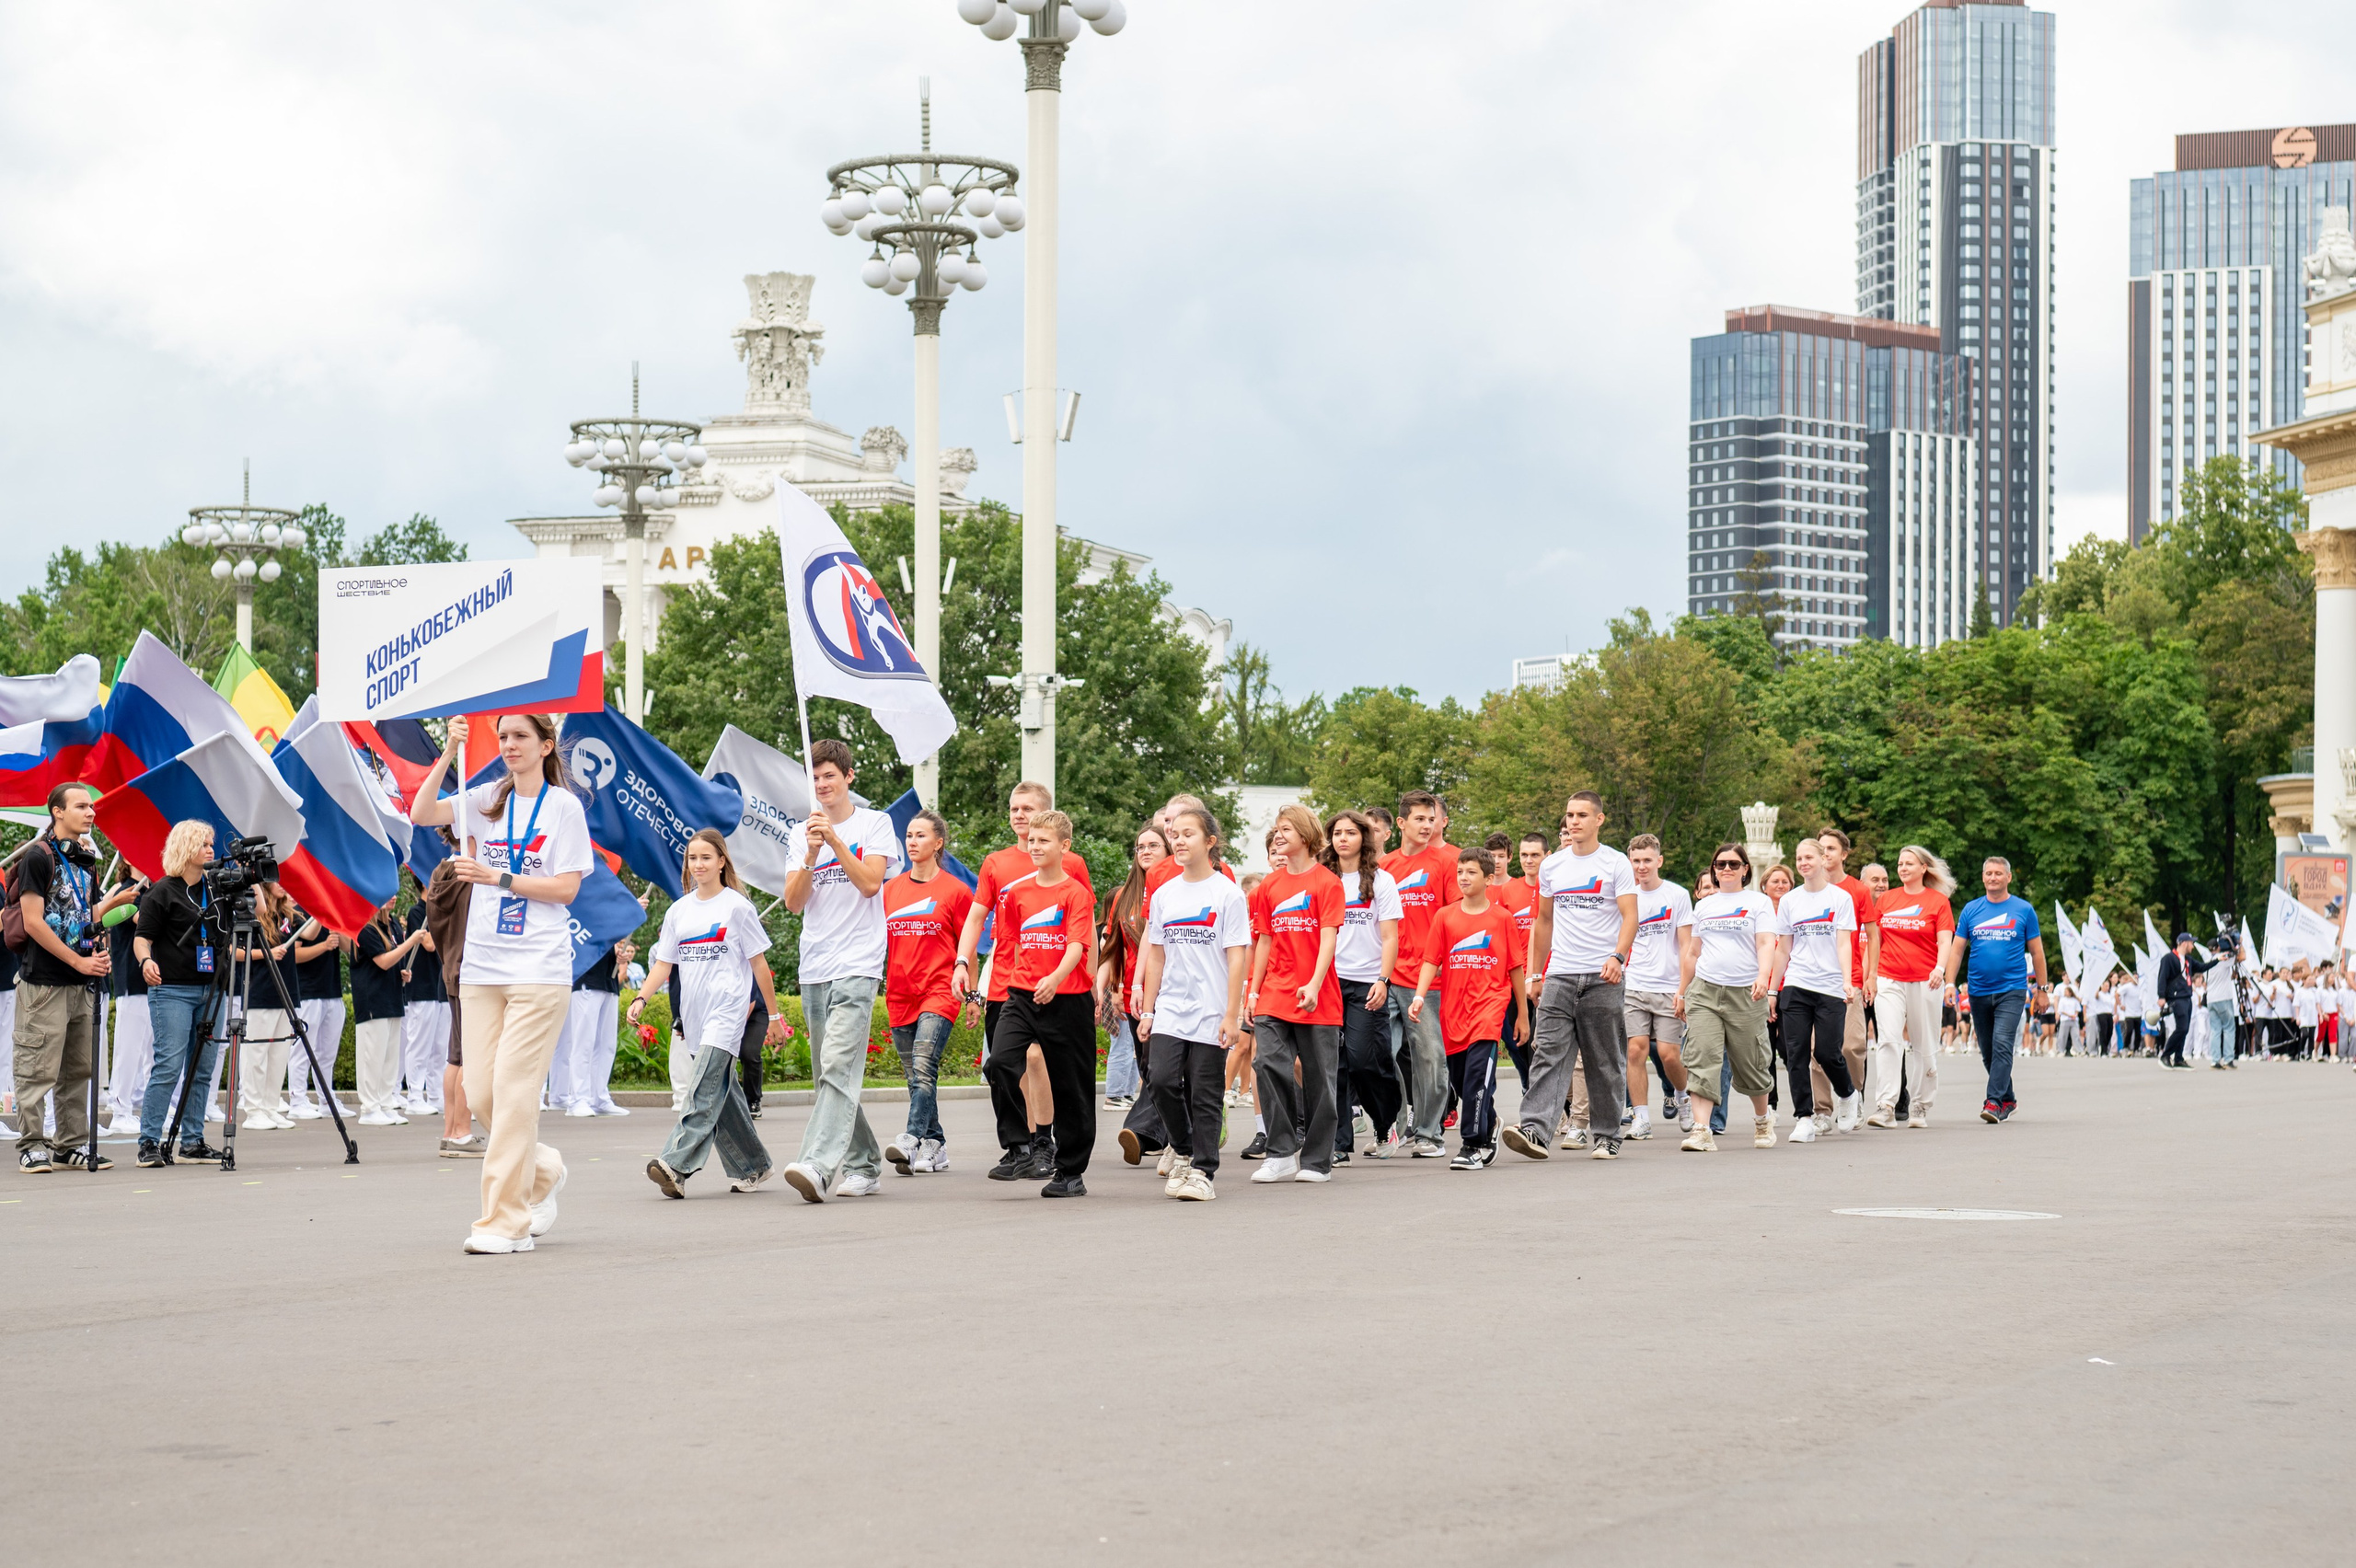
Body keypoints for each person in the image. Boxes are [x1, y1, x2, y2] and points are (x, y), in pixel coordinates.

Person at [410, 712, 592, 1255]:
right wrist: (448, 753)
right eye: (504, 737)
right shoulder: (487, 796)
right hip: (483, 968)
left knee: (514, 1093)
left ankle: (504, 1221)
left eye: (520, 737)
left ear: (545, 745)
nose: (509, 745)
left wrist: (500, 877)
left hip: (539, 968)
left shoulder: (563, 807)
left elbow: (566, 889)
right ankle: (542, 1171)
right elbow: (421, 812)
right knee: (481, 1093)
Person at [776, 738, 905, 1204]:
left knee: (837, 1065)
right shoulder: (799, 833)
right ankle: (865, 1162)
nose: (822, 785)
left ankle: (816, 1164)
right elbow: (793, 902)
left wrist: (834, 840)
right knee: (830, 1073)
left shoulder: (875, 823)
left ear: (849, 777)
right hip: (815, 963)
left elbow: (871, 884)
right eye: (813, 778)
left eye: (829, 775)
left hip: (858, 961)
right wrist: (811, 853)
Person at [955, 781, 1092, 1182]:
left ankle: (1050, 1149)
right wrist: (966, 964)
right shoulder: (998, 866)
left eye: (1028, 809)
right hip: (1013, 986)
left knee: (1051, 1069)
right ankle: (1019, 1146)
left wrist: (1092, 983)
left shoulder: (1074, 871)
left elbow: (1081, 934)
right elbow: (991, 928)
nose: (1019, 815)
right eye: (1014, 809)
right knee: (1000, 1064)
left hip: (1064, 988)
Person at [637, 828, 784, 1198]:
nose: (698, 864)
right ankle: (754, 1165)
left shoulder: (736, 907)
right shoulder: (678, 911)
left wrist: (776, 1016)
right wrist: (641, 997)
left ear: (721, 862)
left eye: (706, 857)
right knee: (725, 1093)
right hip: (696, 1014)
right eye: (692, 858)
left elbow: (759, 964)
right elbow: (663, 964)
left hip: (728, 1011)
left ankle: (675, 1164)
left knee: (701, 1088)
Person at [1502, 790, 1638, 1164]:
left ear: (1599, 820)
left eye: (1581, 815)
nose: (1573, 821)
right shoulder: (1553, 866)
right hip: (1560, 974)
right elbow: (1543, 921)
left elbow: (1630, 916)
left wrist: (1618, 956)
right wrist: (1535, 973)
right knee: (1547, 1052)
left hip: (1602, 975)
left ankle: (1608, 1134)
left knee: (1604, 1060)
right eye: (1569, 815)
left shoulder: (1615, 863)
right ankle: (1534, 1130)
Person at [1138, 802, 1252, 1202]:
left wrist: (1232, 1014)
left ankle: (1203, 1171)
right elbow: (1156, 954)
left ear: (1210, 842)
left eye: (1189, 834)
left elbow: (1237, 956)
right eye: (1176, 834)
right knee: (1162, 1080)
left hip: (1211, 1010)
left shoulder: (1228, 894)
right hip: (1171, 1007)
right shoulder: (1165, 893)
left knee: (1204, 1093)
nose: (1180, 840)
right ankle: (1184, 1148)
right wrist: (1149, 1009)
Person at [8, 782, 113, 1172]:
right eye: (82, 806)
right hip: (45, 983)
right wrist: (78, 961)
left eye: (92, 807)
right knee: (37, 1068)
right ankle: (32, 1145)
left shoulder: (86, 857)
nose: (91, 813)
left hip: (81, 982)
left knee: (77, 1069)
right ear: (57, 811)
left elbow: (89, 913)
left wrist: (100, 934)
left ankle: (69, 1145)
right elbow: (33, 923)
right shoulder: (38, 856)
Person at [1245, 805, 1345, 1184]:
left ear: (1305, 835)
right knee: (1266, 1063)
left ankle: (1318, 1161)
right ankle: (1281, 1152)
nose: (1278, 834)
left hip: (1318, 995)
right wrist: (1253, 993)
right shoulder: (1269, 887)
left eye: (1286, 828)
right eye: (1276, 829)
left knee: (1320, 1081)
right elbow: (1264, 942)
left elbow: (1328, 939)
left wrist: (1315, 984)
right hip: (1274, 992)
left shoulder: (1327, 883)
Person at [1411, 847, 1528, 1170]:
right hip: (1453, 1013)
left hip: (1489, 1009)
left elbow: (1515, 967)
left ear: (1489, 878)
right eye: (1460, 872)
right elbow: (1431, 961)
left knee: (1478, 1077)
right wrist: (1419, 996)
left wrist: (1521, 1013)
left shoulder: (1502, 919)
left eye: (1471, 872)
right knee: (1465, 1083)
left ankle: (1472, 1144)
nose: (1464, 877)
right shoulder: (1445, 916)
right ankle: (1489, 1123)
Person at [127, 820, 230, 1168]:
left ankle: (192, 1140)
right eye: (204, 843)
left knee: (203, 1069)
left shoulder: (215, 889)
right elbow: (143, 938)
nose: (211, 849)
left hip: (212, 990)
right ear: (186, 848)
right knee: (169, 1065)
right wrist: (145, 962)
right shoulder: (162, 891)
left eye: (211, 844)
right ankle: (149, 1142)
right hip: (172, 990)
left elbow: (257, 912)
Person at [1672, 842, 1783, 1151]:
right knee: (1702, 1056)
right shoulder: (1705, 906)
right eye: (1720, 865)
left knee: (1752, 1063)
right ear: (1714, 870)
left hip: (1746, 992)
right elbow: (1693, 952)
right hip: (1705, 991)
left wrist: (1763, 977)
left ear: (1746, 869)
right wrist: (1682, 992)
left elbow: (1765, 944)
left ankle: (1763, 1121)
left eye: (1734, 864)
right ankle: (1702, 1130)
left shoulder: (1758, 903)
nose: (1727, 869)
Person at [883, 810, 974, 1176]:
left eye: (920, 836)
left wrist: (971, 996)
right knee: (915, 1076)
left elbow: (968, 948)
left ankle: (911, 1138)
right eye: (909, 835)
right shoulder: (891, 890)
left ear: (938, 843)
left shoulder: (956, 890)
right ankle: (935, 1143)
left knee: (923, 1065)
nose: (912, 842)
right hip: (900, 993)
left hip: (940, 990)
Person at [1380, 790, 1461, 1158]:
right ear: (1401, 823)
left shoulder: (1446, 862)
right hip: (1387, 975)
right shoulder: (1385, 867)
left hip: (1427, 978)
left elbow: (1455, 919)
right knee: (1379, 1052)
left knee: (1429, 1057)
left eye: (1432, 819)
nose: (1427, 825)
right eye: (1420, 819)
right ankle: (1391, 1128)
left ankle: (1429, 1134)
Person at [1940, 856, 2047, 1124]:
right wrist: (1950, 983)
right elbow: (1957, 949)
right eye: (1988, 873)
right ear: (1983, 877)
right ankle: (2008, 1097)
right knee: (1988, 1050)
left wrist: (2041, 990)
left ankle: (1994, 1102)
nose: (1993, 877)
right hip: (1977, 991)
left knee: (2002, 1044)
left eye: (1998, 873)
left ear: (2008, 877)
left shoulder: (2023, 910)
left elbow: (2037, 952)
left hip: (2012, 989)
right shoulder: (1971, 910)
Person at [1772, 836, 1863, 1143]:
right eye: (1799, 858)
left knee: (1827, 1052)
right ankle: (1804, 1117)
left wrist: (1847, 981)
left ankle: (1848, 1095)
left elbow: (1843, 943)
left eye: (1809, 857)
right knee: (1795, 1053)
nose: (1803, 863)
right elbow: (1783, 949)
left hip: (1829, 986)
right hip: (1796, 985)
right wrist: (1773, 990)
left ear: (1823, 859)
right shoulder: (1789, 901)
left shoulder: (1839, 899)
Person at [1321, 810, 1399, 1162]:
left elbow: (1390, 935)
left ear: (1363, 839)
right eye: (1337, 833)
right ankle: (1339, 1143)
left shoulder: (1381, 880)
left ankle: (1385, 1124)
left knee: (1364, 1059)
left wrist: (1384, 979)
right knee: (1331, 1064)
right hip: (1328, 983)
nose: (1343, 839)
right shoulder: (1323, 879)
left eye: (1350, 833)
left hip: (1367, 982)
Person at [1867, 845, 1954, 1129]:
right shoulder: (1887, 900)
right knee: (1889, 1040)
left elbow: (1945, 941)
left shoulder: (1938, 901)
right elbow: (1874, 941)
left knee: (1923, 1044)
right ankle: (1886, 1105)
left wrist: (1940, 970)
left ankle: (1920, 1105)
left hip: (1925, 980)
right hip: (1889, 978)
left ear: (1923, 868)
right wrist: (1871, 976)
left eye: (1909, 863)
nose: (1903, 868)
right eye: (1900, 864)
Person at [1620, 833, 1692, 1141]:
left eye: (1647, 860)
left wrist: (1684, 990)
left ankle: (1684, 1097)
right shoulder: (1625, 896)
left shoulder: (1676, 895)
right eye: (1636, 861)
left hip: (1668, 986)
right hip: (1634, 985)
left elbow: (1688, 946)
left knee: (1668, 1054)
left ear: (1659, 861)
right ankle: (1642, 1117)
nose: (1641, 866)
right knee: (1634, 1051)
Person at [1098, 824, 1169, 1120]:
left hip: (1170, 993)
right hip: (1133, 996)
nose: (1146, 851)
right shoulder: (1122, 896)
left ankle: (1149, 1131)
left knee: (1161, 1068)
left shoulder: (1174, 890)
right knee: (1145, 1066)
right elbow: (1113, 948)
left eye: (1153, 846)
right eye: (1141, 847)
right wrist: (1109, 990)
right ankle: (1164, 1131)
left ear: (1168, 850)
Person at [1813, 828, 1879, 1131]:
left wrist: (1871, 975)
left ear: (1844, 854)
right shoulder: (1809, 890)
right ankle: (1822, 1110)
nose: (1825, 853)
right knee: (1817, 1051)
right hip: (1813, 980)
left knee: (1851, 1046)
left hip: (1849, 977)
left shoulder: (1858, 891)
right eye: (1821, 848)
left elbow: (1873, 934)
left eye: (1830, 848)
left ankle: (1852, 1095)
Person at [352, 898, 426, 1125]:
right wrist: (411, 941)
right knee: (372, 1057)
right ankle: (369, 1108)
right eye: (387, 893)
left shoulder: (391, 925)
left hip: (392, 998)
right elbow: (383, 962)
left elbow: (392, 962)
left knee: (389, 1058)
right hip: (373, 1001)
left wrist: (403, 972)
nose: (393, 897)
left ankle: (385, 1103)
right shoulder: (364, 927)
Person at [285, 910, 347, 1121]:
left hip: (332, 990)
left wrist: (340, 925)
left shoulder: (331, 913)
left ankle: (327, 1100)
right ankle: (297, 1100)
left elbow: (347, 946)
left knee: (327, 1054)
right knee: (302, 1050)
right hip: (308, 992)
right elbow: (293, 954)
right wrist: (324, 946)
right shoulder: (299, 914)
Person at [2155, 932, 2213, 1071]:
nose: (2193, 946)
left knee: (2185, 1029)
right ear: (2184, 943)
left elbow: (2201, 967)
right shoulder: (2169, 958)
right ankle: (2166, 1055)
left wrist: (2217, 960)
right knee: (2181, 1028)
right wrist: (2161, 996)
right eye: (2191, 943)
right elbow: (2162, 977)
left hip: (2187, 996)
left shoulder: (2188, 960)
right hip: (2176, 998)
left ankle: (2179, 1058)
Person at [2204, 950, 2239, 1069]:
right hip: (2223, 998)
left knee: (2215, 1030)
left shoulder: (2208, 961)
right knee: (2229, 1028)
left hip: (2211, 999)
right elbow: (2242, 957)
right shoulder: (2223, 959)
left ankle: (2215, 1060)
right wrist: (2239, 943)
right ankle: (2228, 1059)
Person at [2053, 979, 2081, 1057]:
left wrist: (2075, 1015)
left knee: (2075, 1036)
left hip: (2073, 1019)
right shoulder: (2062, 999)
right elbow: (2061, 1009)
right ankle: (2060, 1050)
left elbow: (2078, 1008)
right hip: (2065, 1019)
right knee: (2062, 1035)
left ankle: (2078, 1050)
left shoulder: (2074, 1000)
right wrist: (2069, 1015)